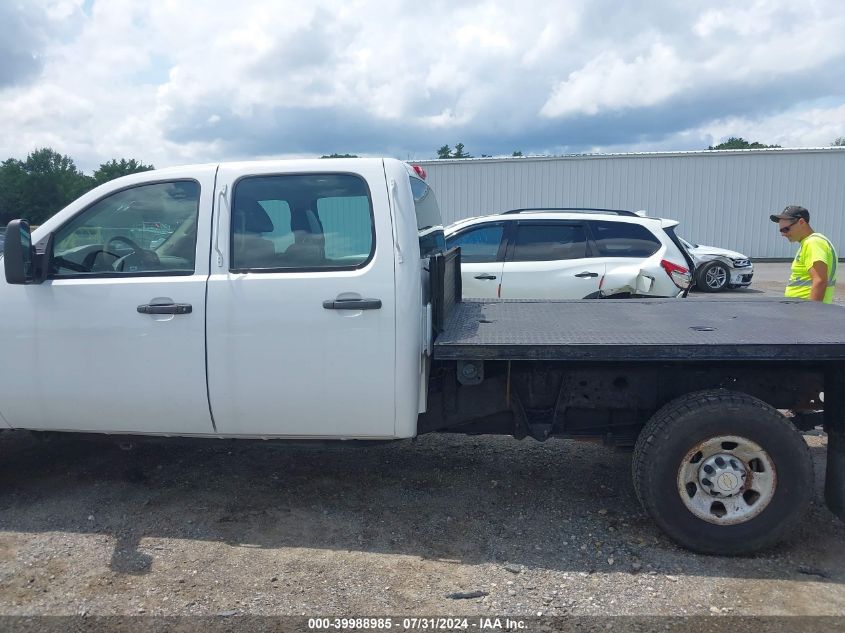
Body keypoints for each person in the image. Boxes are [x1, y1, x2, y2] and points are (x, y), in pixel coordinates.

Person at [770, 205, 838, 304]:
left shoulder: (813, 243)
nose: (783, 234)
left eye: (786, 229)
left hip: (805, 312)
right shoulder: (809, 243)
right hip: (800, 310)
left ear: (801, 222)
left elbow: (820, 281)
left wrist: (811, 312)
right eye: (781, 230)